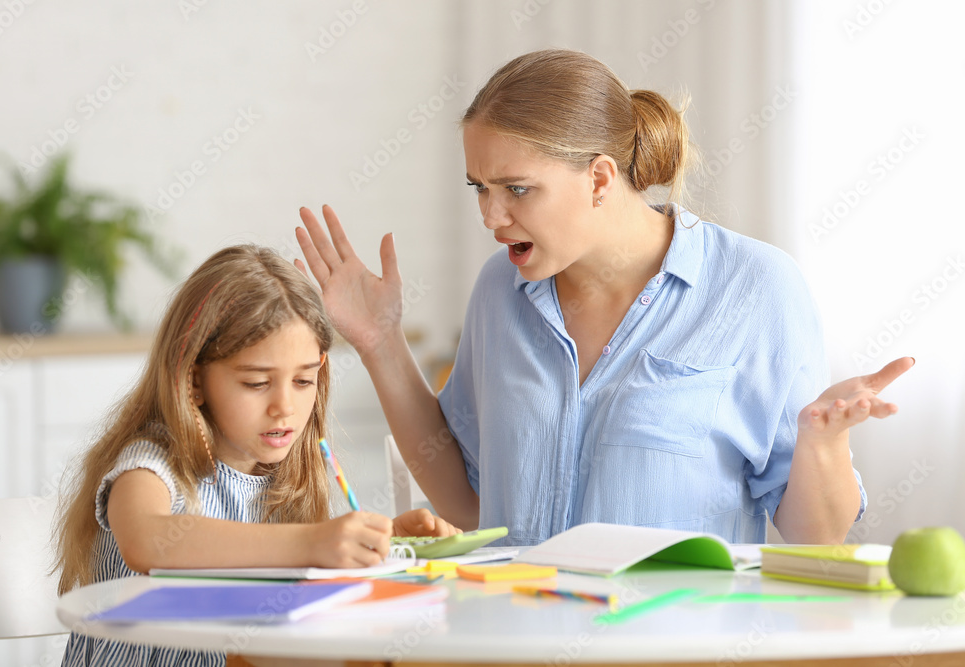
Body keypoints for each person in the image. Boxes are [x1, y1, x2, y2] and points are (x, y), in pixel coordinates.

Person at [294, 49, 913, 548]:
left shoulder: (756, 289)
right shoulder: (499, 292)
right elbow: (473, 502)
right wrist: (379, 343)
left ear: (598, 177)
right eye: (478, 187)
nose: (490, 216)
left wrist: (822, 441)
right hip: (513, 646)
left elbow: (816, 534)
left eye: (516, 188)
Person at [54, 245, 458, 667]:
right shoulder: (153, 463)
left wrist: (378, 544)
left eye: (304, 380)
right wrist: (313, 542)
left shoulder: (278, 480)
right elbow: (147, 540)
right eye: (256, 383)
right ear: (194, 378)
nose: (284, 406)